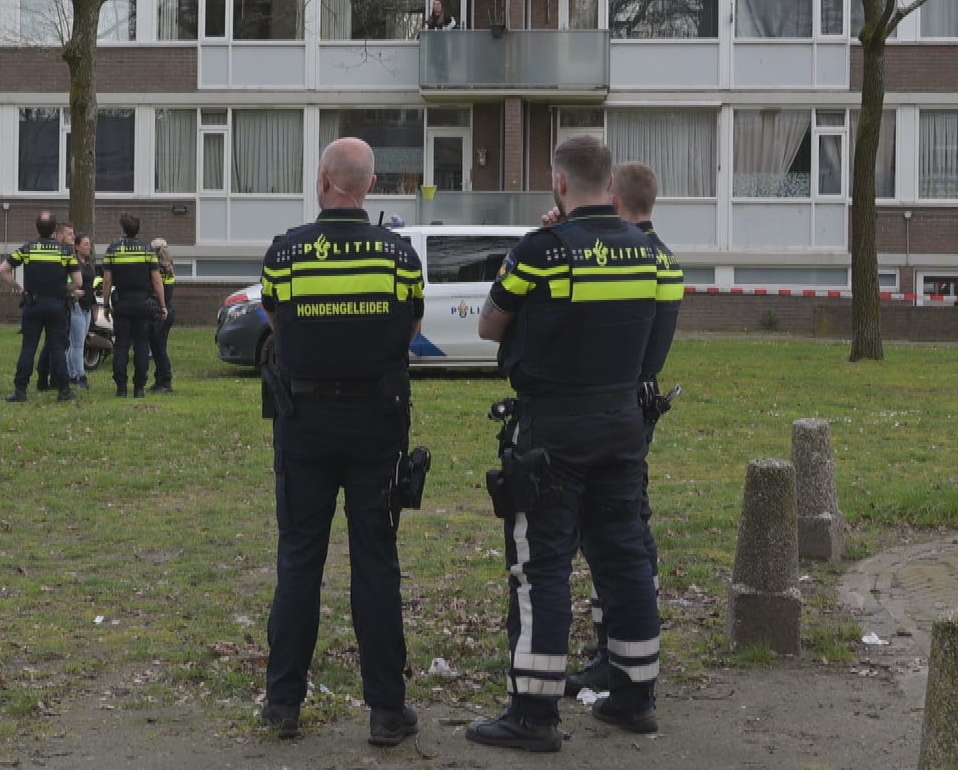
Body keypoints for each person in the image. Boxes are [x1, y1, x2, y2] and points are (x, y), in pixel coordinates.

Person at [465, 136, 662, 753]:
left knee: (541, 566)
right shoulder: (655, 256)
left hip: (552, 430)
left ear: (558, 183)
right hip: (623, 423)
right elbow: (656, 344)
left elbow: (490, 324)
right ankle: (634, 696)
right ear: (609, 184)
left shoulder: (540, 252)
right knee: (625, 554)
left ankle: (534, 712)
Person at [258, 138, 424, 749]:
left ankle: (282, 704)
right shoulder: (400, 256)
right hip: (376, 423)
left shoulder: (286, 253)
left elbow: (277, 320)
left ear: (323, 179)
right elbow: (410, 325)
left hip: (303, 422)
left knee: (299, 559)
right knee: (376, 562)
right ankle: (386, 710)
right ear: (370, 186)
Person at [567, 162, 683, 699]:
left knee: (617, 537)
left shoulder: (631, 255)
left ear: (612, 194)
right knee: (627, 532)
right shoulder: (663, 258)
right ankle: (622, 645)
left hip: (608, 408)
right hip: (635, 408)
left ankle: (617, 647)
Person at [0, 211, 79, 404]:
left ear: (37, 228)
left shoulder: (28, 248)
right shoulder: (64, 251)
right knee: (57, 348)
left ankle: (20, 391)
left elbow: (2, 270)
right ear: (54, 230)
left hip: (33, 304)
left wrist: (18, 287)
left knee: (28, 347)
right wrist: (63, 289)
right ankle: (64, 391)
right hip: (56, 304)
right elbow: (78, 281)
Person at [102, 213, 165, 398]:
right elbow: (157, 281)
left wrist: (106, 305)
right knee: (142, 346)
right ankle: (139, 388)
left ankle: (121, 388)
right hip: (143, 304)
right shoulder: (147, 250)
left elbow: (107, 282)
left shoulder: (112, 250)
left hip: (122, 303)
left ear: (122, 230)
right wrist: (162, 305)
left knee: (121, 345)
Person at [38, 223, 78, 391]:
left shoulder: (66, 253)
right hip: (58, 302)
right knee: (56, 345)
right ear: (59, 235)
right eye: (70, 234)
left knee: (51, 344)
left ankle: (45, 377)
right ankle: (53, 379)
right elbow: (68, 280)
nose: (73, 237)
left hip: (61, 301)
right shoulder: (62, 254)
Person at [67, 233, 99, 390]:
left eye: (89, 244)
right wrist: (73, 292)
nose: (89, 247)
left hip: (87, 307)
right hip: (76, 307)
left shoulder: (88, 265)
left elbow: (91, 286)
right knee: (78, 344)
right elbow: (65, 282)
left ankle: (71, 374)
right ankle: (81, 376)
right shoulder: (72, 264)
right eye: (85, 244)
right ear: (77, 246)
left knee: (76, 343)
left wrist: (93, 307)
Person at [147, 237, 178, 395]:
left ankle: (165, 381)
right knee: (161, 348)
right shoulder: (169, 267)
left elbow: (156, 291)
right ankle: (159, 380)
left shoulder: (157, 269)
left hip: (160, 312)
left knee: (158, 349)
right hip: (168, 310)